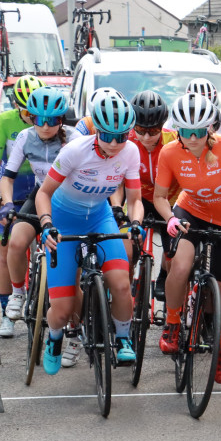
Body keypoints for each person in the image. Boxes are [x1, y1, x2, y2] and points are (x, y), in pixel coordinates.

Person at [153, 94, 221, 385]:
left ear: (209, 129)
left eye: (199, 132)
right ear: (177, 131)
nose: (192, 138)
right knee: (179, 267)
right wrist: (171, 219)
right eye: (186, 133)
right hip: (191, 212)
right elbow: (160, 198)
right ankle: (173, 324)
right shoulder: (169, 153)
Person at [35, 92, 143, 375]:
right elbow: (44, 193)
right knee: (61, 311)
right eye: (108, 135)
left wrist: (134, 223)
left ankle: (122, 338)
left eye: (122, 136)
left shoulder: (130, 152)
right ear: (97, 129)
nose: (115, 143)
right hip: (64, 222)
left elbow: (135, 200)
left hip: (99, 218)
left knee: (121, 284)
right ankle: (55, 338)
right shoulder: (74, 150)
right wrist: (47, 224)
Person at [0, 87, 77, 358]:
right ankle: (18, 293)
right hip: (41, 194)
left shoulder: (75, 138)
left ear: (61, 120)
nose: (45, 126)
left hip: (71, 200)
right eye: (38, 119)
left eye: (52, 120)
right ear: (30, 118)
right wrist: (7, 203)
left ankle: (78, 329)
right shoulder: (24, 137)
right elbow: (7, 176)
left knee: (77, 264)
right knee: (16, 242)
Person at [0, 75, 43, 337]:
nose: (29, 117)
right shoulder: (3, 121)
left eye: (32, 111)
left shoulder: (45, 124)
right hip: (9, 188)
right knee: (6, 252)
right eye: (24, 111)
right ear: (16, 106)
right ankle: (8, 315)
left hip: (36, 191)